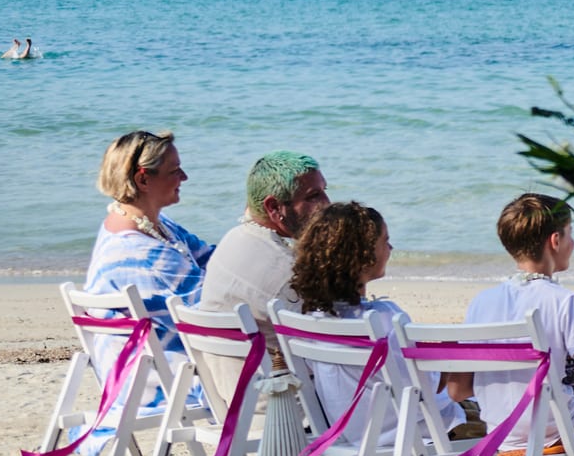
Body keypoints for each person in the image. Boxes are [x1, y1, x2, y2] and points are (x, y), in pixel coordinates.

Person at [438, 194, 574, 456]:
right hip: (557, 430)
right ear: (554, 241)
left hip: (503, 435)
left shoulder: (482, 303)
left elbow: (458, 390)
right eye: (570, 234)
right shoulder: (564, 301)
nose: (572, 243)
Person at [285, 201, 460, 434]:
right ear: (363, 255)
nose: (391, 248)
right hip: (406, 431)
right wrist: (451, 373)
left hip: (348, 433)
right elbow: (420, 392)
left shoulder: (311, 320)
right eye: (385, 242)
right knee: (499, 420)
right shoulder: (383, 317)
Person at [85, 130, 214, 347]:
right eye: (174, 171)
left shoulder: (152, 223)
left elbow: (209, 258)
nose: (184, 177)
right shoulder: (142, 253)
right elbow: (212, 309)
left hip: (160, 357)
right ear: (143, 179)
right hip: (167, 371)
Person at [201, 152, 329, 325]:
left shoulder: (232, 238)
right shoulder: (290, 277)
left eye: (324, 191)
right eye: (313, 196)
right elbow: (330, 335)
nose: (327, 203)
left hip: (219, 350)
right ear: (274, 207)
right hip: (267, 352)